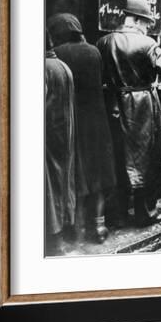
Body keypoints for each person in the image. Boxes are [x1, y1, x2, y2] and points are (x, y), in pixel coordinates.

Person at [97, 0, 161, 226]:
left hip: (114, 103)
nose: (147, 28)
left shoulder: (104, 41)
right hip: (142, 105)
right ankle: (146, 213)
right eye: (146, 23)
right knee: (148, 158)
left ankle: (117, 215)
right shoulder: (146, 44)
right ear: (136, 20)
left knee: (118, 157)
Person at [49, 13, 116, 244]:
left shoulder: (59, 53)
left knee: (77, 175)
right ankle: (98, 226)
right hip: (97, 121)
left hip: (73, 122)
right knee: (98, 173)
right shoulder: (94, 51)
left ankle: (76, 230)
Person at [45, 31, 76, 255]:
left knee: (49, 185)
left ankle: (53, 240)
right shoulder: (62, 65)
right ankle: (66, 228)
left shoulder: (43, 68)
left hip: (48, 133)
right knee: (63, 180)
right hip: (65, 132)